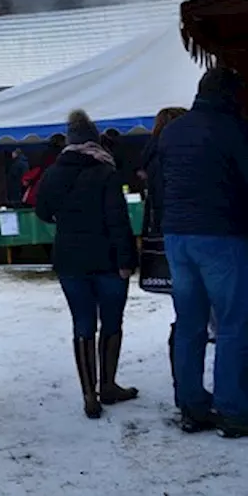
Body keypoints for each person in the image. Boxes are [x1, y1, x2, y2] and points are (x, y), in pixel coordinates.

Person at [157, 67, 248, 437]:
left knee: (189, 324)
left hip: (177, 236)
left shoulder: (172, 131)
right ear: (229, 95)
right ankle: (233, 410)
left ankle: (192, 407)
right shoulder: (232, 129)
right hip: (221, 236)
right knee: (233, 324)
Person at [34, 110, 139, 420]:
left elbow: (41, 210)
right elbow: (117, 220)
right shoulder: (106, 171)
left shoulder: (53, 173)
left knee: (82, 325)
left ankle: (88, 394)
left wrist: (61, 218)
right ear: (94, 140)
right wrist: (126, 260)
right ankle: (107, 384)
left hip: (70, 259)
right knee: (111, 322)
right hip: (107, 259)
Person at [139, 106, 188, 396]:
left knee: (185, 315)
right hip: (187, 232)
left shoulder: (152, 154)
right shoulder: (168, 158)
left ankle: (183, 388)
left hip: (168, 234)